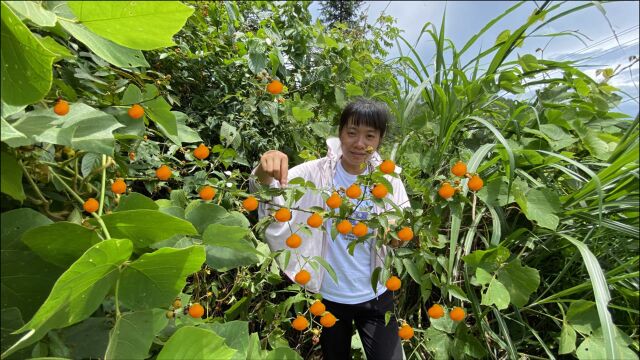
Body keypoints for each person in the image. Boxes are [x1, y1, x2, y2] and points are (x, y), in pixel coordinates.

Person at [249, 98, 409, 360]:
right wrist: (264, 169)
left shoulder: (389, 178)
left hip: (377, 294)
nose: (359, 143)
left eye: (370, 135)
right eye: (352, 132)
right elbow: (267, 192)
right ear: (340, 133)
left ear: (380, 140)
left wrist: (396, 235)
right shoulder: (315, 174)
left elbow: (401, 229)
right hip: (329, 297)